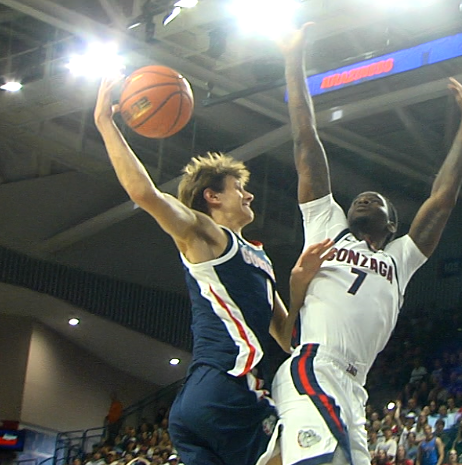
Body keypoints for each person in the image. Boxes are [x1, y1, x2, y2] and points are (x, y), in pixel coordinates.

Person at [262, 22, 462, 465]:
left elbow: (441, 200)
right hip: (314, 366)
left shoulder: (401, 258)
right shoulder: (325, 223)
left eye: (376, 200)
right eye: (359, 197)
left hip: (354, 388)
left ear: (393, 223)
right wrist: (293, 58)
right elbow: (307, 142)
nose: (363, 197)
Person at [94, 76, 330, 465]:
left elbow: (287, 339)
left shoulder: (258, 257)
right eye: (240, 188)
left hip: (197, 400)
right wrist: (106, 123)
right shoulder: (207, 236)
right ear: (212, 196)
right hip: (230, 388)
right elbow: (145, 194)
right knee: (307, 451)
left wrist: (298, 283)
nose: (249, 194)